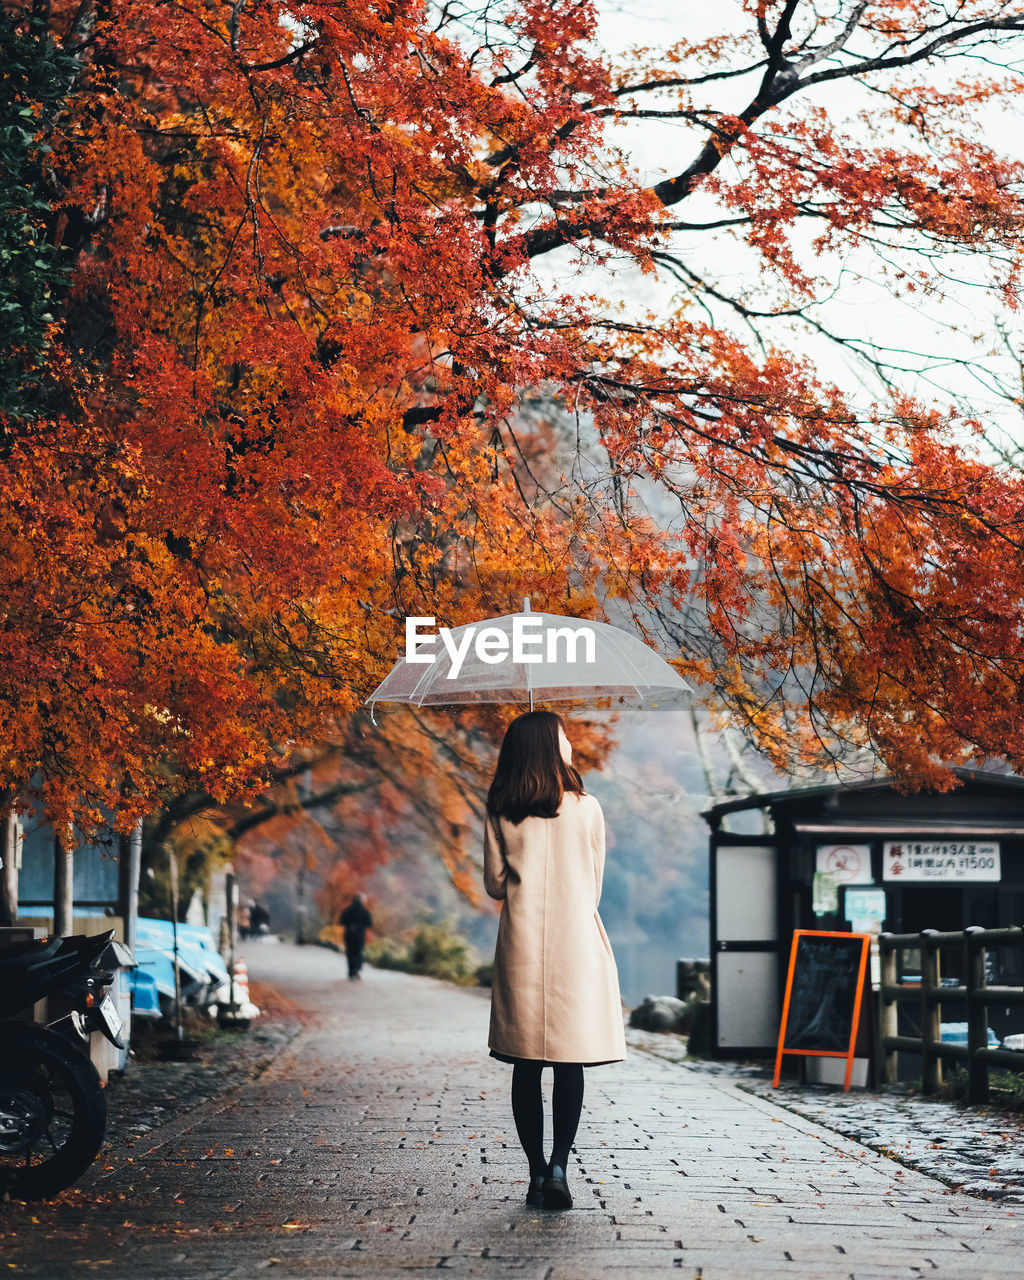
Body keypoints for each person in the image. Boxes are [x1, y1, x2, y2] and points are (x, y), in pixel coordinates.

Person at [484, 710, 626, 1211]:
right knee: (570, 1060)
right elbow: (596, 884)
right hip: (575, 943)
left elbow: (495, 885)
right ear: (552, 745)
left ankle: (535, 1173)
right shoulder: (588, 808)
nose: (570, 743)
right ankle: (561, 1167)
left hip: (523, 943)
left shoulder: (501, 808)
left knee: (526, 1062)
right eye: (564, 736)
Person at [339, 893, 373, 980]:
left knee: (350, 953)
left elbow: (341, 921)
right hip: (359, 935)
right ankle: (357, 969)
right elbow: (369, 923)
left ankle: (351, 971)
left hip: (349, 935)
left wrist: (350, 924)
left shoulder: (347, 910)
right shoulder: (365, 911)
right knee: (358, 952)